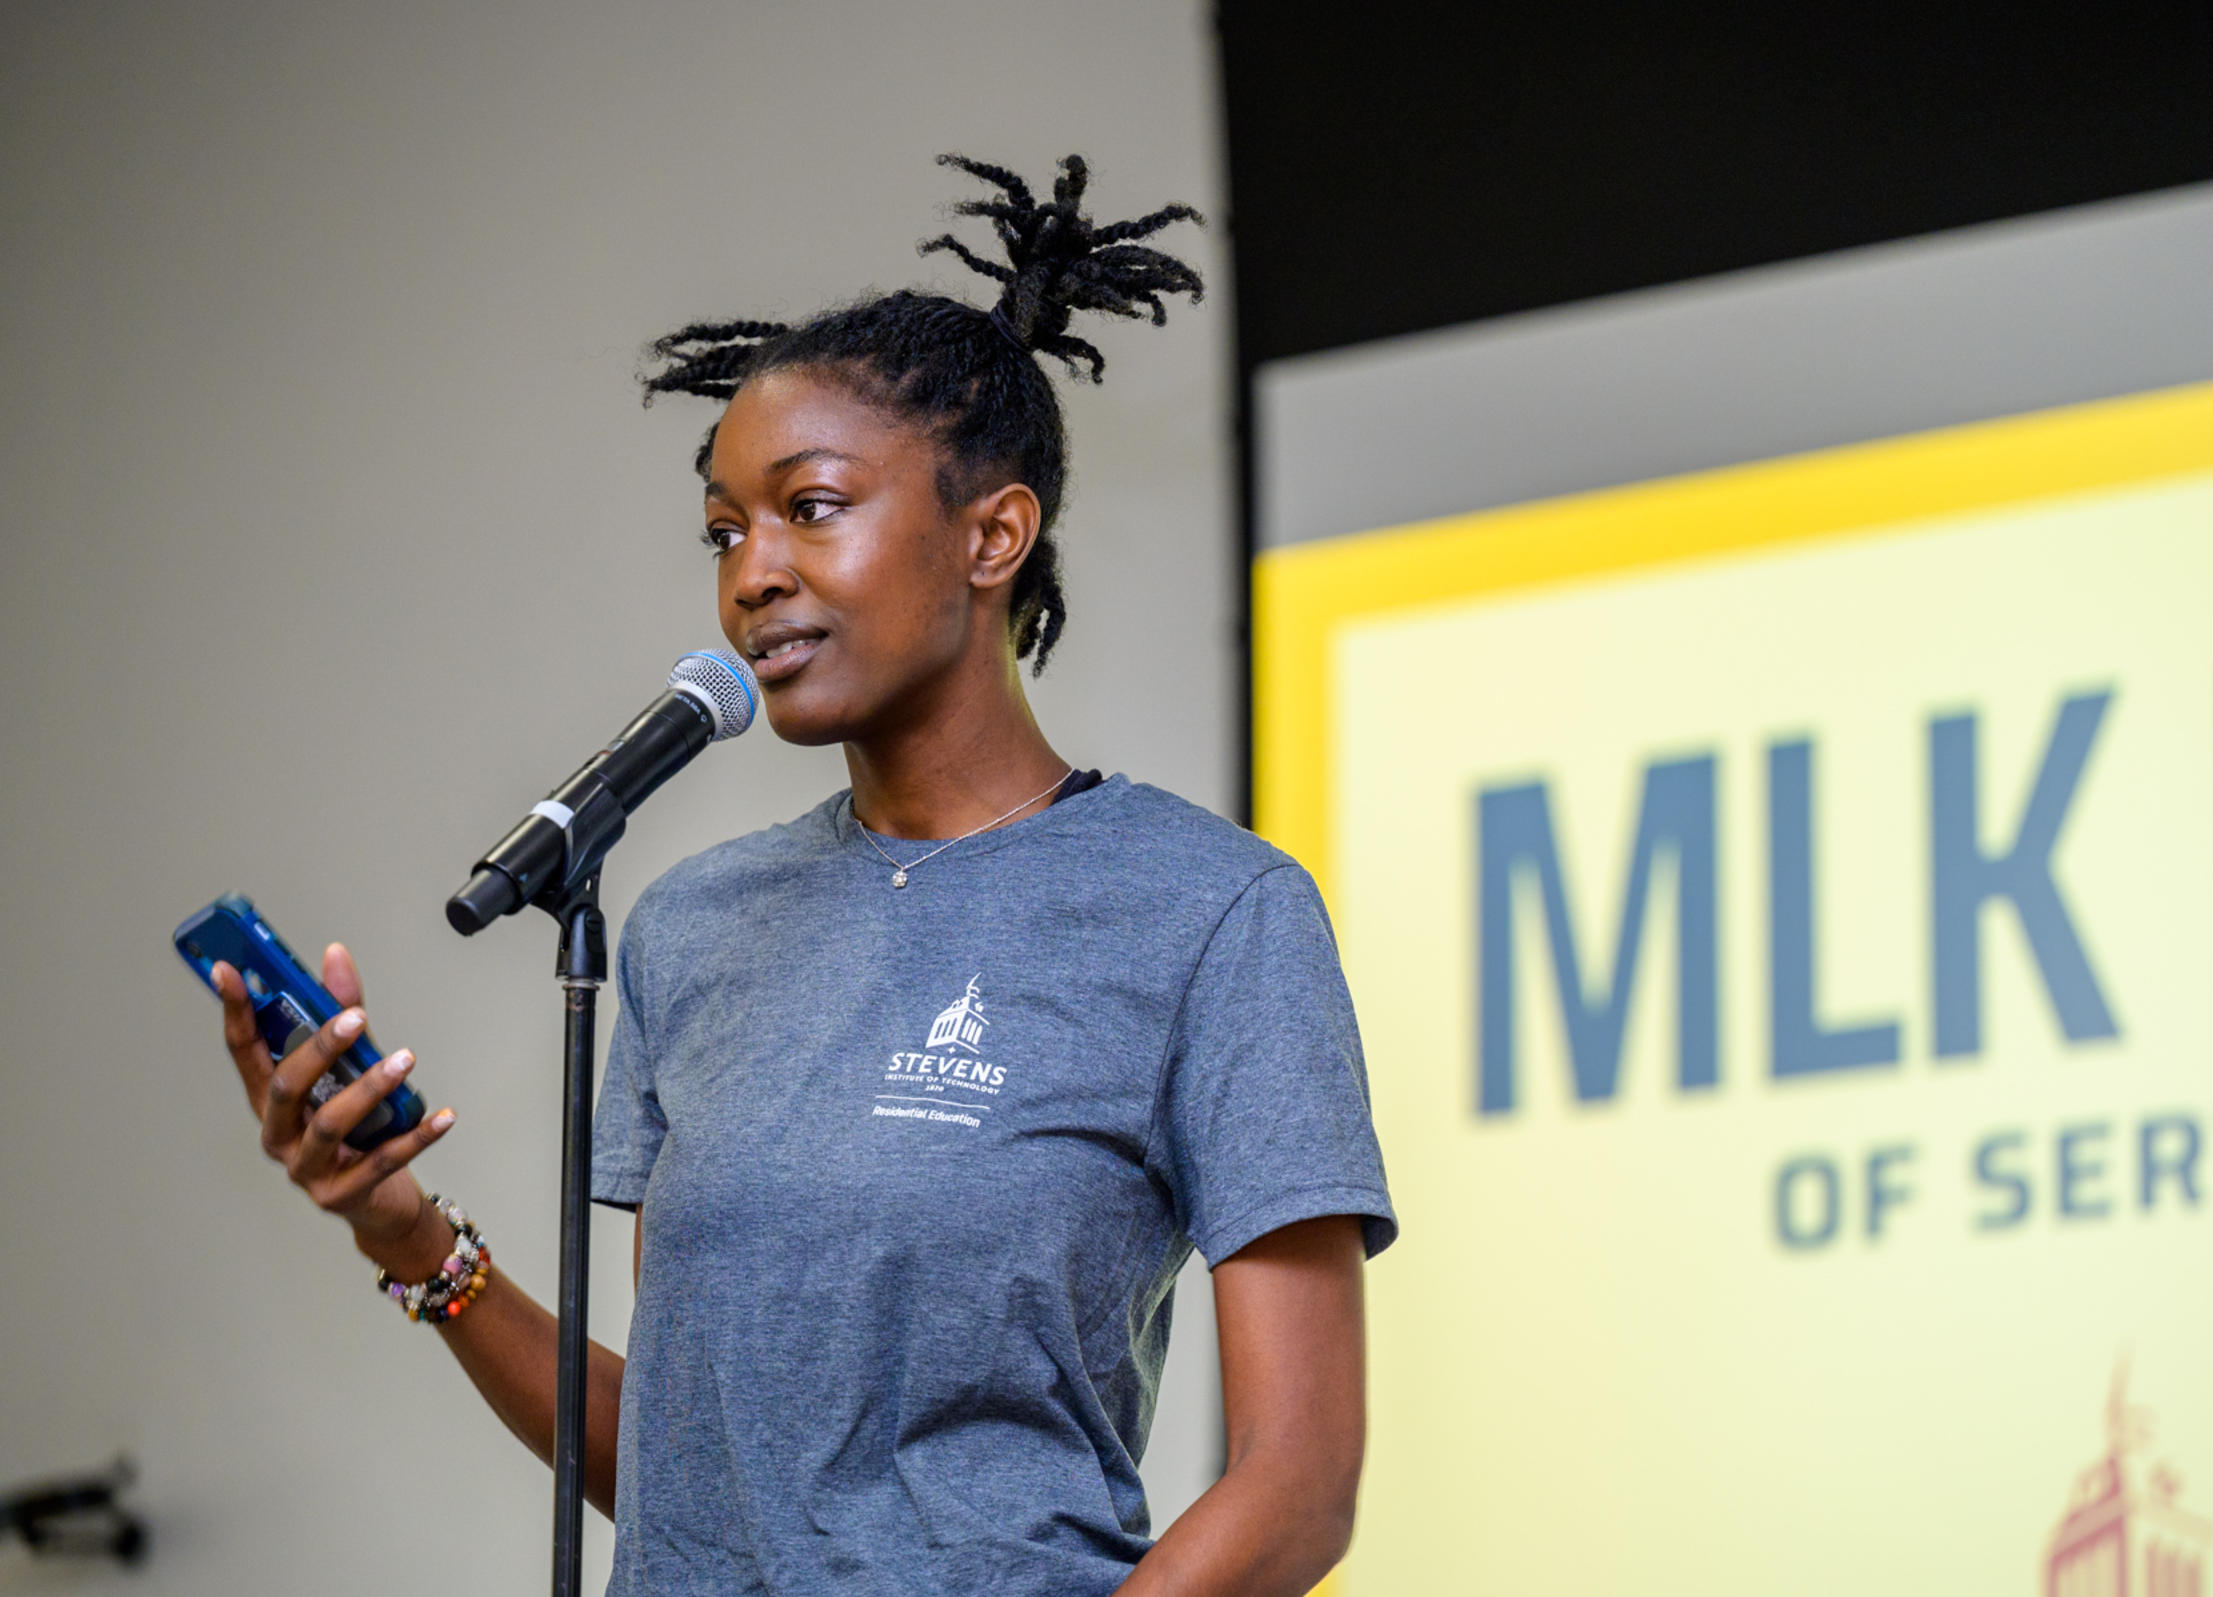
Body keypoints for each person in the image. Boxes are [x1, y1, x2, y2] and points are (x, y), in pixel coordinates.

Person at [210, 153, 1396, 1597]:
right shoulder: (691, 929)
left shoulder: (1210, 912)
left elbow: (1300, 1481)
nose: (752, 572)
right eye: (724, 530)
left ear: (993, 534)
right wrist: (404, 1235)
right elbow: (681, 1461)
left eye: (810, 507)